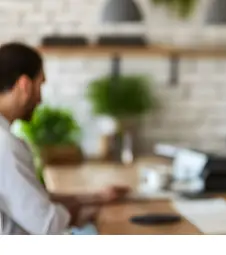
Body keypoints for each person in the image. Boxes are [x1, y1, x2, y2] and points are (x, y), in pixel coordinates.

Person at [0, 42, 129, 235]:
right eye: (40, 85)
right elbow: (48, 224)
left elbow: (38, 199)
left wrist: (96, 197)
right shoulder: (4, 144)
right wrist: (87, 213)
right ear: (24, 85)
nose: (40, 99)